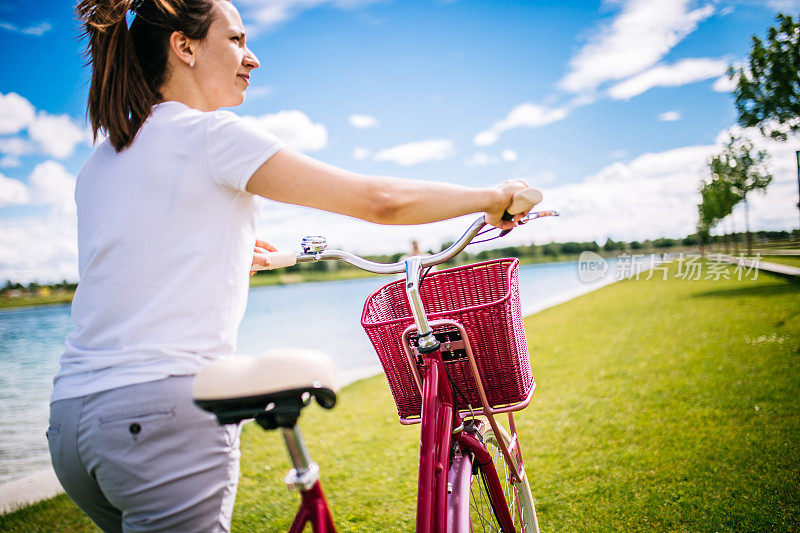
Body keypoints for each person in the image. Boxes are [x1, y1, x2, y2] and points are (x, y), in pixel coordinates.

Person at [47, 0, 536, 531]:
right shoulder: (212, 135)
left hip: (72, 423)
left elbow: (136, 258)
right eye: (235, 39)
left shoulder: (101, 161)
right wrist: (493, 196)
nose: (252, 58)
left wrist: (235, 250)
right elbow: (381, 200)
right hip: (160, 417)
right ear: (184, 47)